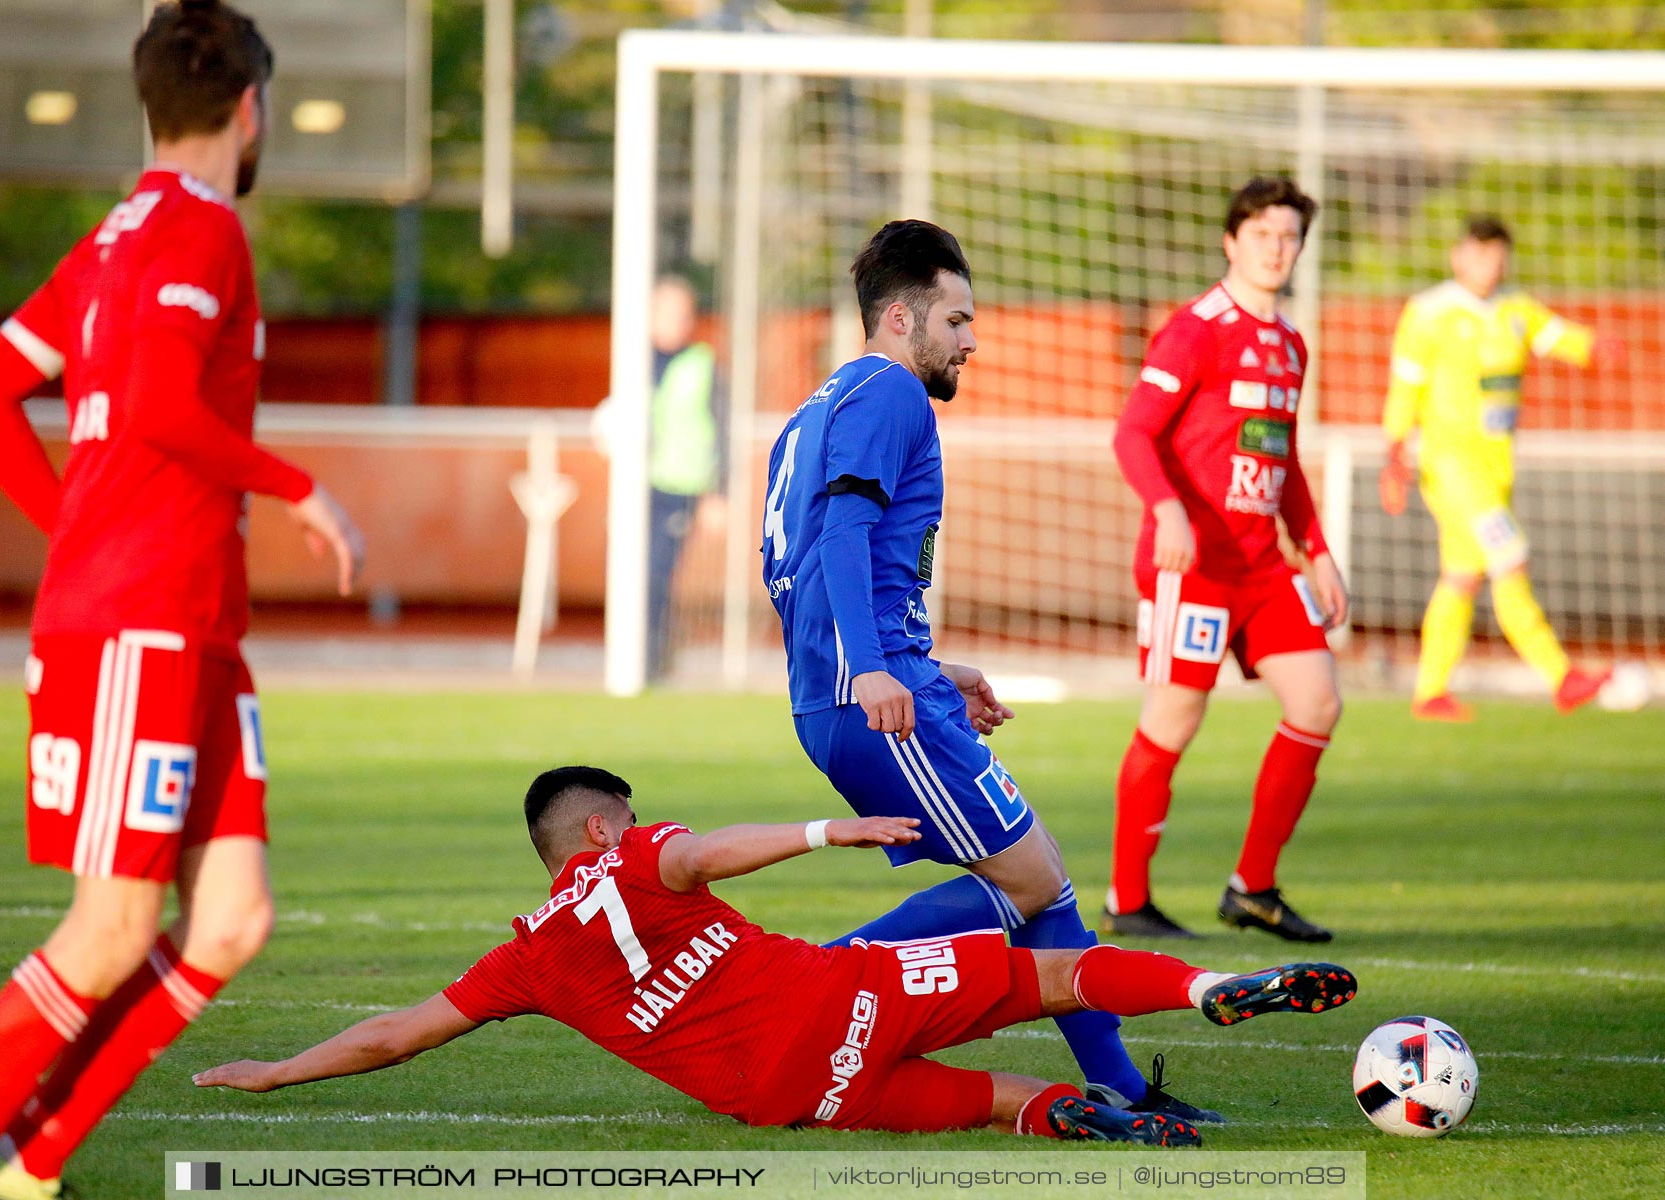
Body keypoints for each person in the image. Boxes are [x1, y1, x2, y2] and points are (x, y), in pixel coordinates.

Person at [0, 5, 365, 1199]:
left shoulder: (111, 237)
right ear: (250, 111)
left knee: (230, 920)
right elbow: (152, 406)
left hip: (178, 612)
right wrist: (299, 486)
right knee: (109, 932)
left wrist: (74, 535)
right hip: (141, 619)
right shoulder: (202, 231)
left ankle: (31, 1169)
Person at [194, 766, 1358, 1144]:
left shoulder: (525, 961)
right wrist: (824, 831)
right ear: (597, 831)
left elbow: (401, 1033)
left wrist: (278, 1072)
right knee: (1053, 971)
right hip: (838, 994)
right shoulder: (631, 856)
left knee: (999, 1104)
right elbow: (702, 857)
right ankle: (1207, 989)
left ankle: (1077, 1118)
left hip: (783, 1093)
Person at [759, 219, 1216, 1124]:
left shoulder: (818, 407)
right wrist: (873, 670)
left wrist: (919, 662)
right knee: (1033, 883)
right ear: (900, 318)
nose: (973, 340)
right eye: (958, 319)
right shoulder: (892, 395)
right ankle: (798, 1003)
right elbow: (842, 538)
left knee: (1040, 870)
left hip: (871, 684)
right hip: (874, 696)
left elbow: (799, 571)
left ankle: (1119, 1086)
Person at [1105, 177, 1347, 945]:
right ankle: (1126, 899)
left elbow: (1285, 461)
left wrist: (1316, 551)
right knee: (1174, 718)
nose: (1278, 249)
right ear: (1231, 241)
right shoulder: (1195, 330)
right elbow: (1132, 436)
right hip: (1194, 567)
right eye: (1264, 235)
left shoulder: (1291, 345)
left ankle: (1254, 887)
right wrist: (1168, 510)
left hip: (1260, 568)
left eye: (1289, 237)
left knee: (1317, 701)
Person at [1378, 215, 1620, 721]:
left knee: (1463, 576)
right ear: (1457, 256)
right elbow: (1406, 383)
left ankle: (1430, 692)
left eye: (1498, 254)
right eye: (1480, 253)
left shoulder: (1516, 307)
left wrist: (1596, 346)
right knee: (1509, 555)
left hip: (1496, 466)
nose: (1490, 264)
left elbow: (1560, 338)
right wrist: (1394, 450)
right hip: (1449, 464)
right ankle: (1562, 676)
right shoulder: (1429, 312)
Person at [644, 275, 725, 681]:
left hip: (680, 486)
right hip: (638, 486)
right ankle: (643, 654)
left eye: (681, 313)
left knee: (659, 572)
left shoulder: (703, 363)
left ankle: (656, 662)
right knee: (638, 573)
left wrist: (718, 492)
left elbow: (720, 428)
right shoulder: (635, 360)